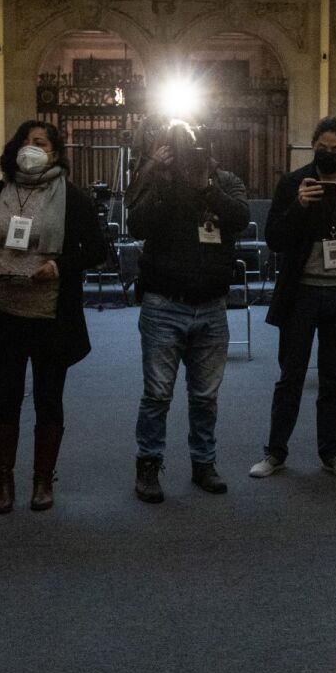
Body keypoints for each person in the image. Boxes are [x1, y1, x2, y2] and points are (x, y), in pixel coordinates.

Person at [0, 121, 110, 514]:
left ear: (55, 152)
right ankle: (3, 481)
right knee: (6, 401)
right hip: (3, 312)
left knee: (49, 400)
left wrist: (59, 266)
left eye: (40, 143)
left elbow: (99, 250)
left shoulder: (73, 198)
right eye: (25, 142)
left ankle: (43, 481)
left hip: (51, 315)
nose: (30, 148)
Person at [251, 117, 336, 481]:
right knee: (290, 377)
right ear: (313, 147)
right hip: (301, 294)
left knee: (332, 378)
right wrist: (299, 206)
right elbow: (274, 239)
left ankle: (332, 452)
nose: (329, 154)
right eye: (323, 148)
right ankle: (275, 452)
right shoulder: (294, 183)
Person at [127, 118, 250, 502]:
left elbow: (240, 218)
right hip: (165, 303)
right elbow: (138, 225)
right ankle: (148, 465)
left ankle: (204, 463)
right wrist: (161, 179)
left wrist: (206, 189)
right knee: (157, 395)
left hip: (212, 305)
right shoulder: (159, 178)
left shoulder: (225, 182)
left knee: (205, 397)